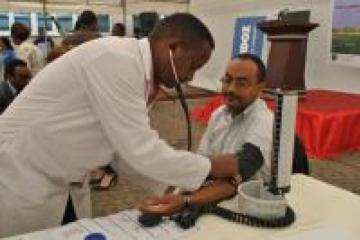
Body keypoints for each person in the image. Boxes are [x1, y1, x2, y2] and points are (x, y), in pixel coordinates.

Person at [0, 13, 238, 237]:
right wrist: (209, 167)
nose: (191, 77)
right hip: (22, 174)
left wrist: (169, 190)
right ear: (173, 47)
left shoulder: (142, 76)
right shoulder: (116, 60)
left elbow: (120, 152)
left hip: (62, 182)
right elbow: (140, 149)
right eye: (193, 65)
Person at [138, 54, 273, 216]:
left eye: (241, 83)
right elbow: (202, 161)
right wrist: (175, 194)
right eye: (227, 80)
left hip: (249, 207)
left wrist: (187, 200)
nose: (230, 88)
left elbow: (242, 169)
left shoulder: (264, 121)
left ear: (260, 87)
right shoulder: (219, 115)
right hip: (216, 196)